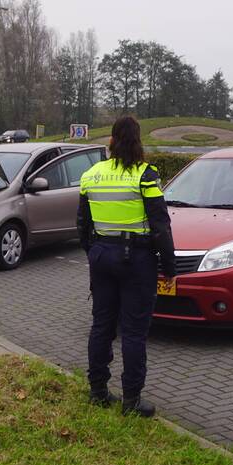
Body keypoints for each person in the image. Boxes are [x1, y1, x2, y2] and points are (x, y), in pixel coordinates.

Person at [77, 116, 175, 417]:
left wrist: (93, 251)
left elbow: (82, 223)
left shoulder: (91, 174)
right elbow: (160, 224)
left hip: (101, 256)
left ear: (111, 140)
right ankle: (131, 400)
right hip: (136, 259)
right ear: (137, 141)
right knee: (133, 332)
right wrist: (169, 266)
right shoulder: (145, 175)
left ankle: (97, 391)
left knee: (101, 326)